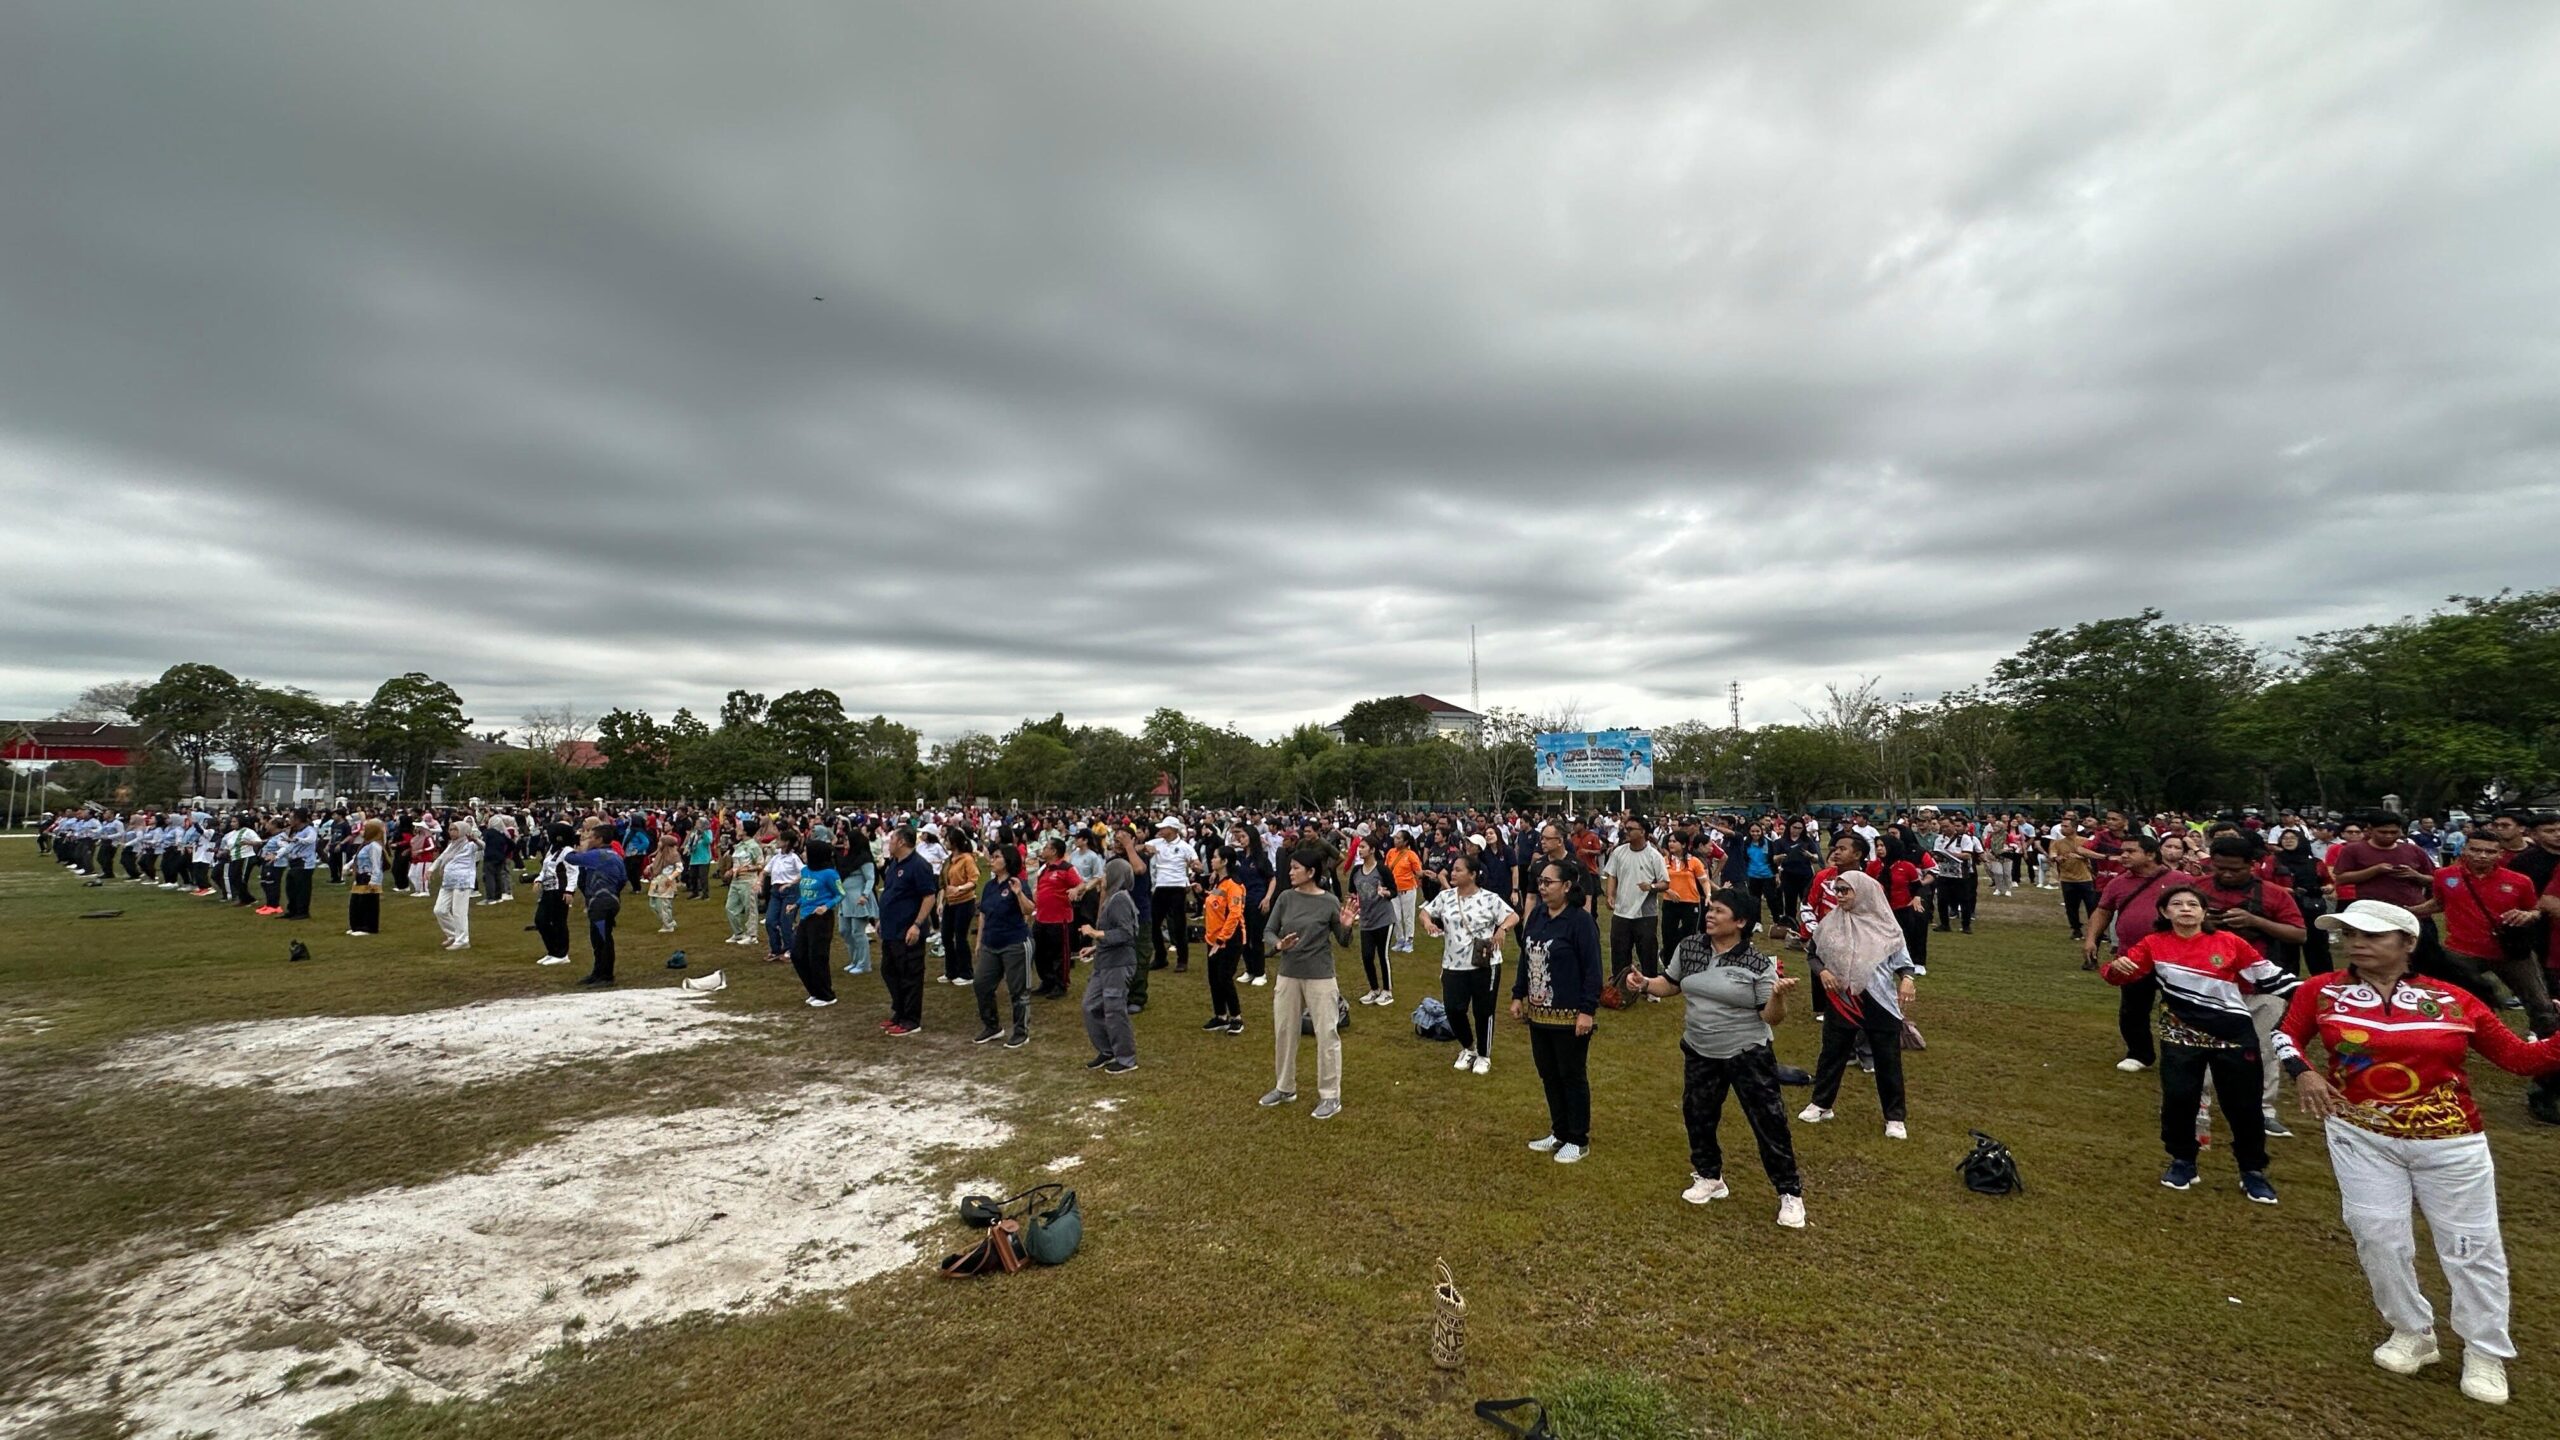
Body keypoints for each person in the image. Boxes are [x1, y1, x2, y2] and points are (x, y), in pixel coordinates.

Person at [2277, 899, 2560, 1406]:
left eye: (2372, 935)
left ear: (2408, 942)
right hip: (2359, 1136)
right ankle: (2411, 1331)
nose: (2356, 943)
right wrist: (2304, 1072)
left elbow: (2520, 1059)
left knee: (2471, 1247)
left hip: (2451, 1142)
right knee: (2377, 1237)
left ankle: (2485, 1351)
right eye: (2349, 934)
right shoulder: (2321, 990)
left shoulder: (2454, 1000)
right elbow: (2286, 1036)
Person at [2103, 884, 2295, 1202]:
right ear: (2164, 912)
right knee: (2179, 1100)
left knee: (2243, 1106)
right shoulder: (2153, 943)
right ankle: (2183, 1161)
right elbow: (2123, 975)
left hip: (2233, 1036)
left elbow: (2270, 976)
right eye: (2177, 904)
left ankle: (2252, 1170)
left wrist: (2320, 994)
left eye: (2193, 904)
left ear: (2204, 912)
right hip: (2180, 1036)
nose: (2185, 909)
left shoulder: (2229, 942)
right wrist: (2114, 969)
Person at [1625, 888, 1805, 1227]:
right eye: (1710, 908)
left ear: (1740, 922)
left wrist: (1778, 997)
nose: (1709, 915)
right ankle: (1710, 1176)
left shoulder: (1756, 963)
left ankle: (1789, 1193)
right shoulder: (1690, 947)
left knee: (1769, 1123)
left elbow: (1771, 1017)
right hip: (1699, 1050)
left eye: (1719, 911)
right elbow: (1672, 983)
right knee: (1698, 1116)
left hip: (1747, 1054)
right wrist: (1646, 983)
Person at [1800, 848, 1918, 1138]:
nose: (1839, 896)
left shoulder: (1886, 925)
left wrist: (1907, 979)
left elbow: (1903, 961)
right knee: (1832, 1054)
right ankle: (1822, 1104)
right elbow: (1813, 954)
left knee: (1887, 1060)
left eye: (1845, 891)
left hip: (1879, 1001)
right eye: (1837, 890)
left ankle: (1894, 1117)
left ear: (1863, 892)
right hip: (1842, 1000)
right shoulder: (1831, 923)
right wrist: (1823, 972)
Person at [2418, 832, 2557, 1040]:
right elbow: (2439, 903)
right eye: (2475, 849)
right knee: (2452, 998)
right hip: (2461, 951)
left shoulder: (2519, 881)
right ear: (2464, 850)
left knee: (2539, 1002)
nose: (2482, 855)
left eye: (2490, 851)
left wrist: (2527, 915)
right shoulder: (2444, 876)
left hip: (2509, 951)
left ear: (2500, 854)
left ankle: (2546, 1040)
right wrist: (2409, 911)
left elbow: (2535, 910)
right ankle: (2452, 1037)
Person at [1515, 858, 1603, 1162]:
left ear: (1566, 886)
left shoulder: (1580, 921)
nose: (1542, 887)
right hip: (1539, 1015)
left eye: (1548, 882)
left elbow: (1593, 969)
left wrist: (1587, 1011)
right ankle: (1560, 1131)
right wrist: (1518, 995)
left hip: (1570, 1016)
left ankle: (1578, 1139)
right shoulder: (1538, 915)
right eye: (1540, 881)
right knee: (1549, 1074)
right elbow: (1526, 957)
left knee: (1571, 1075)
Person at [1263, 849, 1358, 1119]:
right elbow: (1268, 931)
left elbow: (1343, 941)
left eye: (1295, 868)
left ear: (1311, 872)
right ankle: (1285, 1087)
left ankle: (1330, 1096)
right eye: (1290, 867)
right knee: (1284, 1031)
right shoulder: (1285, 897)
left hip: (1320, 976)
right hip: (1288, 974)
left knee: (1327, 1034)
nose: (1290, 872)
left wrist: (1347, 926)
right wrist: (1278, 945)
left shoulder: (1329, 901)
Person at [2086, 834, 2183, 1071]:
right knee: (2132, 1008)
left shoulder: (2180, 880)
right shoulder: (2118, 883)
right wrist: (2091, 939)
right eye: (2123, 851)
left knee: (2178, 1008)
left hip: (2175, 957)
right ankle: (2139, 1053)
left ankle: (2180, 1053)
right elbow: (2103, 911)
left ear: (2150, 854)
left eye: (2131, 851)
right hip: (2132, 956)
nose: (2124, 856)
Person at [1422, 850, 1516, 1075]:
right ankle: (1468, 1048)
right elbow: (1425, 911)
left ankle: (1484, 1054)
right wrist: (1428, 923)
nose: (1452, 873)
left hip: (1484, 963)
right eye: (1452, 869)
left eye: (1458, 870)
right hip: (1453, 963)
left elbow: (1512, 915)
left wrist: (1502, 929)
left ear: (1473, 874)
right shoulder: (1446, 896)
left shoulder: (1489, 898)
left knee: (1483, 1011)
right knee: (1453, 1009)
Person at [1077, 856, 1141, 1073]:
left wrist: (1094, 933)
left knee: (1114, 1010)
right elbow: (1114, 933)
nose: (1102, 877)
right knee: (1090, 1006)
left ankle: (1126, 1059)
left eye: (1106, 873)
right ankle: (1107, 1050)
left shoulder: (1120, 900)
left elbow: (1126, 933)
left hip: (1118, 964)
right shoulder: (1111, 898)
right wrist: (1096, 947)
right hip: (1104, 962)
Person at [877, 826, 940, 1036]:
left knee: (909, 975)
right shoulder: (894, 864)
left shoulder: (918, 866)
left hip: (907, 930)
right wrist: (882, 919)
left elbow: (929, 896)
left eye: (892, 839)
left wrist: (917, 924)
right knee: (889, 971)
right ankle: (899, 1011)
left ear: (902, 841)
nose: (889, 843)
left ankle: (911, 1019)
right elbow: (891, 893)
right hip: (891, 929)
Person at [972, 847, 1034, 1045]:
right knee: (981, 984)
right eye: (992, 856)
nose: (992, 859)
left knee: (1018, 991)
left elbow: (1029, 910)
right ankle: (992, 1026)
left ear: (1007, 861)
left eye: (997, 857)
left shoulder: (1018, 883)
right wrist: (979, 941)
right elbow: (983, 914)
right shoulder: (989, 886)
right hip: (991, 944)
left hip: (1014, 944)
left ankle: (1021, 1032)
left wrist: (1018, 894)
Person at [1601, 818, 1669, 990]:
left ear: (1643, 832)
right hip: (1622, 911)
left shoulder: (1654, 856)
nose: (1627, 831)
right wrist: (1610, 895)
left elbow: (1665, 883)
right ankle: (1620, 986)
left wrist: (1651, 887)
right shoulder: (1619, 852)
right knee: (1619, 951)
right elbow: (1612, 875)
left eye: (1631, 829)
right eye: (1626, 828)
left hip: (1645, 913)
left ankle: (1651, 987)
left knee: (1647, 951)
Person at [567, 821, 628, 987]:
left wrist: (573, 847)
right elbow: (623, 879)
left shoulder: (598, 855)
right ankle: (598, 972)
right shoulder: (615, 855)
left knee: (601, 940)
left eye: (592, 837)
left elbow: (571, 859)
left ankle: (606, 975)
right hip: (611, 900)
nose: (589, 839)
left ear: (600, 839)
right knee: (600, 938)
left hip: (600, 901)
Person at [1200, 846, 1248, 1035]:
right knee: (1214, 979)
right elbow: (1214, 903)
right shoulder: (1219, 883)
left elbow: (1234, 915)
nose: (1212, 860)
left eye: (1215, 857)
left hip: (1229, 940)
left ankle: (1236, 1017)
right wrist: (1202, 893)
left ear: (1225, 861)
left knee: (1224, 978)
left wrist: (1221, 940)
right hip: (1213, 938)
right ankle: (1220, 1016)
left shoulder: (1233, 885)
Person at [791, 838, 843, 1008]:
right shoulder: (806, 871)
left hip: (821, 919)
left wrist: (826, 906)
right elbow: (806, 894)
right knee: (798, 954)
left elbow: (840, 894)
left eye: (806, 851)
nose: (803, 854)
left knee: (817, 956)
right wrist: (796, 904)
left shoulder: (830, 874)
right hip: (805, 917)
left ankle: (826, 995)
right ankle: (814, 990)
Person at [1351, 843, 1398, 1006]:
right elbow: (1352, 892)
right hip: (1366, 920)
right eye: (1359, 847)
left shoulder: (1382, 870)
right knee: (1367, 956)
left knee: (1382, 955)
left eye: (1363, 847)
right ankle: (1374, 989)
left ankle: (1387, 991)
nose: (1360, 850)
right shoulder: (1356, 871)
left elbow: (1394, 891)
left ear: (1372, 850)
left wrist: (1385, 893)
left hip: (1384, 919)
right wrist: (1353, 907)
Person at [1031, 838, 1079, 997]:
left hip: (1059, 919)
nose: (1043, 850)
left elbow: (1080, 884)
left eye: (1046, 847)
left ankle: (1060, 984)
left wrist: (1075, 890)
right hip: (1041, 917)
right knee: (1040, 952)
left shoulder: (1066, 868)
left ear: (1053, 851)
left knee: (1059, 954)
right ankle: (1047, 981)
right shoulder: (1044, 869)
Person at [429, 819, 481, 950]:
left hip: (462, 880)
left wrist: (475, 840)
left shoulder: (470, 844)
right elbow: (442, 857)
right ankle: (453, 934)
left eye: (455, 829)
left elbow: (484, 846)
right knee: (439, 910)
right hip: (448, 880)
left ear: (462, 831)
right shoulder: (451, 845)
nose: (451, 832)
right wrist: (431, 869)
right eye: (450, 829)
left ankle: (463, 940)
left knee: (459, 912)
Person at [938, 828, 981, 984]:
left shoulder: (967, 859)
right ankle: (951, 971)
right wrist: (941, 902)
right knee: (946, 936)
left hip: (964, 902)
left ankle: (966, 973)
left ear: (954, 842)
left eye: (947, 840)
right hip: (950, 902)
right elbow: (944, 884)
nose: (945, 842)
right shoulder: (949, 860)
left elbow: (974, 880)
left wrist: (959, 889)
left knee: (960, 937)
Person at [532, 822, 578, 966]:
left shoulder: (568, 852)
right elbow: (545, 868)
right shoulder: (552, 849)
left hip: (560, 890)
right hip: (548, 890)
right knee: (541, 920)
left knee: (559, 922)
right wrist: (538, 879)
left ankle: (562, 954)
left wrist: (570, 890)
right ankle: (553, 951)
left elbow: (573, 872)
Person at [837, 828, 879, 979]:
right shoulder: (846, 858)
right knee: (845, 930)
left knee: (857, 931)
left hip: (858, 898)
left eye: (847, 840)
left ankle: (864, 963)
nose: (845, 842)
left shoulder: (864, 858)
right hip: (846, 898)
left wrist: (865, 895)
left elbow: (870, 878)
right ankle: (854, 960)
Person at [762, 829, 804, 965]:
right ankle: (775, 949)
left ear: (786, 842)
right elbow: (765, 871)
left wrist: (790, 883)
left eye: (779, 839)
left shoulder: (794, 858)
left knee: (786, 922)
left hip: (791, 892)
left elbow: (803, 872)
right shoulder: (776, 857)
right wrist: (759, 882)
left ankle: (790, 949)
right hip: (776, 891)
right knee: (770, 921)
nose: (777, 842)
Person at [723, 821, 767, 947]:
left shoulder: (753, 846)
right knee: (730, 907)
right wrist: (731, 871)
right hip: (736, 881)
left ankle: (752, 936)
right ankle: (738, 933)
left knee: (750, 908)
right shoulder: (739, 845)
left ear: (746, 831)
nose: (737, 828)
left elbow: (760, 864)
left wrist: (747, 869)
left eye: (740, 827)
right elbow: (737, 863)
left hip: (748, 881)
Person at [1385, 830, 1423, 953]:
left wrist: (1423, 874)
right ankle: (1400, 939)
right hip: (1394, 890)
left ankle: (1409, 940)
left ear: (1405, 842)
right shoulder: (1391, 852)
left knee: (1408, 916)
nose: (1395, 840)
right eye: (1395, 838)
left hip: (1408, 889)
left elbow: (1418, 872)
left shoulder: (1411, 855)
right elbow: (1387, 868)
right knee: (1395, 916)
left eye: (1398, 838)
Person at [346, 819, 386, 936]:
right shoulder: (365, 844)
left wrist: (374, 881)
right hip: (360, 876)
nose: (362, 831)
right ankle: (356, 925)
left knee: (367, 903)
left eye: (364, 829)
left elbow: (376, 865)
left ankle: (368, 927)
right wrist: (348, 866)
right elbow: (356, 857)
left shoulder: (374, 846)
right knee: (356, 902)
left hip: (368, 877)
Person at [647, 849, 683, 933]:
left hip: (666, 881)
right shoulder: (660, 854)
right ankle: (669, 921)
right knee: (653, 903)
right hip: (656, 881)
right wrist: (649, 867)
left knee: (664, 904)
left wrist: (671, 878)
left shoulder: (673, 855)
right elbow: (657, 864)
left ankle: (668, 925)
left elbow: (680, 868)